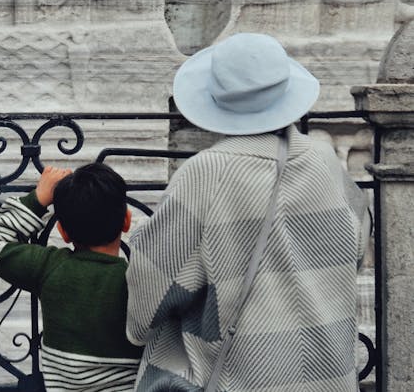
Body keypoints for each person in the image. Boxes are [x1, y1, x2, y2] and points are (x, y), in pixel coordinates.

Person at [126, 32, 370, 392]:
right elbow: (357, 252)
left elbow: (150, 297)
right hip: (329, 379)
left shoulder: (205, 173)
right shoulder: (325, 161)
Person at [0, 163, 143, 392]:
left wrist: (38, 199)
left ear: (62, 232)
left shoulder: (50, 267)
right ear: (126, 221)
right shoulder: (141, 279)